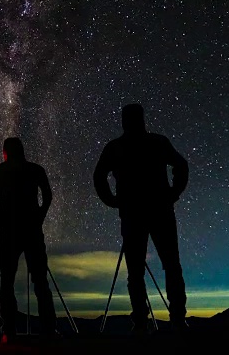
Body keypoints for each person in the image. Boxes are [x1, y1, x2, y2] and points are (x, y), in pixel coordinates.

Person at [93, 103, 190, 335]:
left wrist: (112, 200)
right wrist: (173, 193)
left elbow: (99, 176)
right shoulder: (157, 142)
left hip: (133, 213)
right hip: (160, 210)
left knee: (136, 271)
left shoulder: (116, 147)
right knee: (171, 266)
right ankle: (177, 319)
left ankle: (140, 322)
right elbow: (181, 165)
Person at [0, 137, 60, 344]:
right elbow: (48, 196)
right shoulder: (36, 170)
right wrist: (40, 216)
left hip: (10, 231)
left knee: (6, 281)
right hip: (32, 229)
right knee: (40, 280)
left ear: (5, 151)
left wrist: (1, 221)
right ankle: (49, 329)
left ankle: (9, 330)